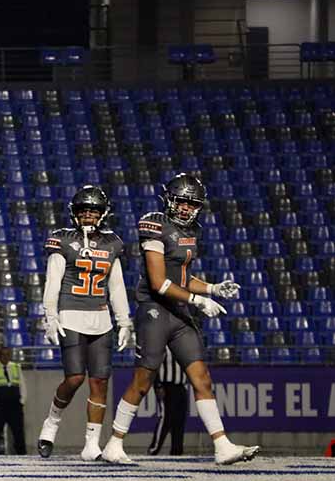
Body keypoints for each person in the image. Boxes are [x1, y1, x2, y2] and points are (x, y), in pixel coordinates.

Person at [102, 173, 259, 465]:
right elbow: (159, 282)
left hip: (178, 311)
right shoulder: (155, 225)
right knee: (143, 380)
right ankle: (114, 443)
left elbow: (183, 278)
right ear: (170, 200)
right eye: (182, 201)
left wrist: (212, 288)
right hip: (155, 310)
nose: (187, 208)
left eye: (192, 203)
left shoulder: (193, 230)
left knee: (202, 377)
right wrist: (198, 300)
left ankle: (222, 446)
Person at [37, 186, 134, 461]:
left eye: (93, 211)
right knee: (75, 377)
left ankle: (92, 444)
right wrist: (51, 316)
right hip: (71, 314)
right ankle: (51, 422)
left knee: (100, 382)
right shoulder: (63, 240)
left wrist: (124, 320)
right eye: (84, 211)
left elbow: (116, 286)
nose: (88, 216)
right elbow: (52, 282)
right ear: (74, 213)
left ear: (103, 214)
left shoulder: (111, 242)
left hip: (101, 317)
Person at [0, 346, 27, 455]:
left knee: (18, 433)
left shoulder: (16, 367)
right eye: (3, 355)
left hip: (14, 405)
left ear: (10, 356)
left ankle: (22, 456)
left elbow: (22, 385)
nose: (5, 357)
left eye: (7, 354)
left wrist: (22, 401)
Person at [147, 347, 189, 456]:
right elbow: (154, 365)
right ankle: (154, 448)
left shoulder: (183, 343)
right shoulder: (163, 344)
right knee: (165, 418)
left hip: (181, 385)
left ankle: (177, 450)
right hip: (166, 385)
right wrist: (157, 385)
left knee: (180, 419)